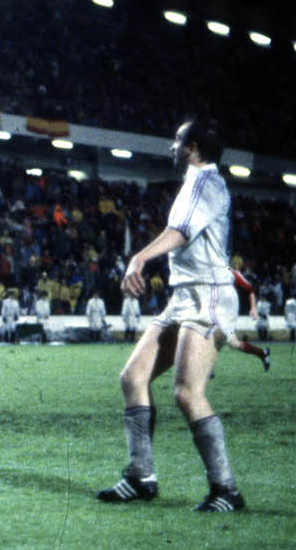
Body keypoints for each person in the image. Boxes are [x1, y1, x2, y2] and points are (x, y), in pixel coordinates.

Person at [97, 118, 245, 512]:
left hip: (208, 295)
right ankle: (140, 477)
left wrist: (139, 257)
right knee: (133, 377)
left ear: (192, 147)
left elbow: (180, 231)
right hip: (185, 295)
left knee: (186, 392)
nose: (172, 146)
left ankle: (226, 489)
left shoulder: (206, 182)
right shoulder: (196, 182)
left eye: (177, 141)